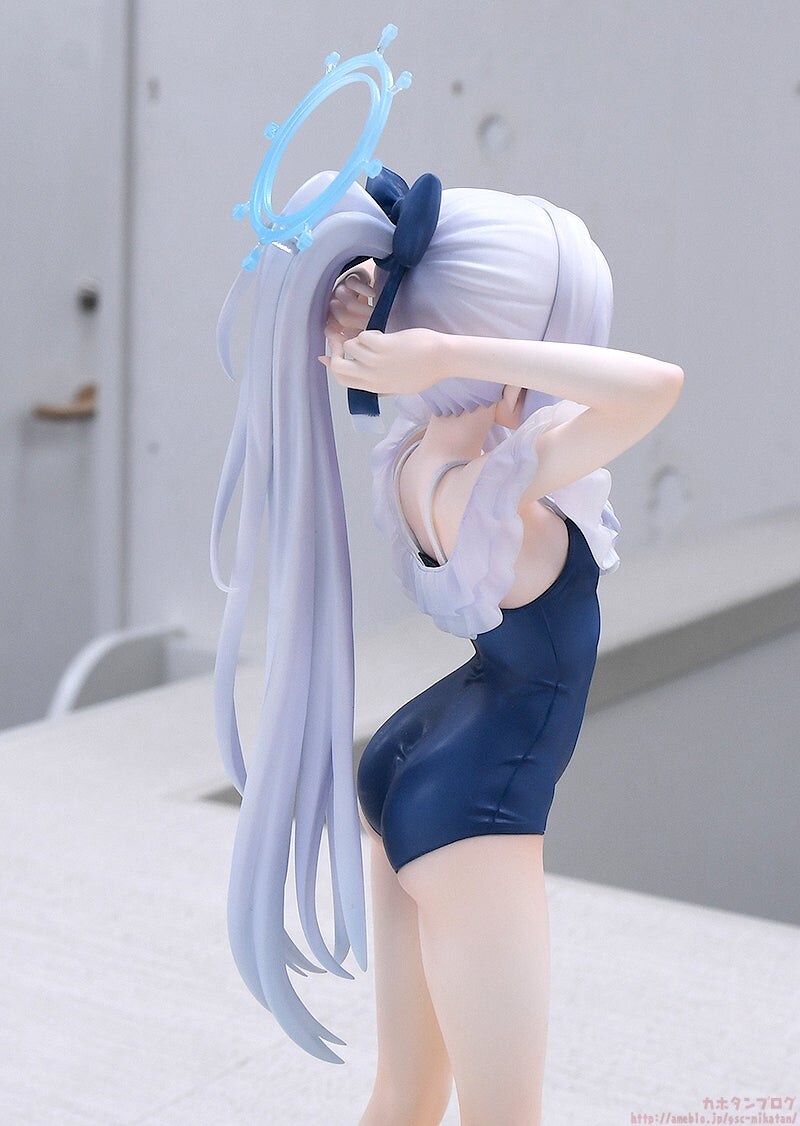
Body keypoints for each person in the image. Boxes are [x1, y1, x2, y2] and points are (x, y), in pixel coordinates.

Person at [211, 170, 683, 1123]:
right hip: (477, 797)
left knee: (406, 1094)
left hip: (421, 762)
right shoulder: (499, 492)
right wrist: (452, 351)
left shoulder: (426, 463)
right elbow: (655, 386)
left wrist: (400, 337)